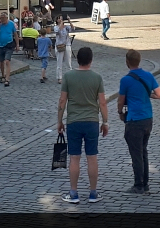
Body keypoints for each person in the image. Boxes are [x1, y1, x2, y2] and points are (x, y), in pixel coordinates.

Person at [57, 46, 109, 204]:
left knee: (74, 158)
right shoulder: (97, 77)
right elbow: (102, 103)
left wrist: (59, 121)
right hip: (92, 122)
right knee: (92, 157)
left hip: (74, 122)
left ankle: (73, 193)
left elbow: (62, 101)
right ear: (91, 60)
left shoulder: (68, 76)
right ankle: (93, 193)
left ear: (77, 59)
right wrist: (105, 122)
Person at [117, 49, 160, 195]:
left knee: (136, 154)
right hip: (147, 118)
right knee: (143, 151)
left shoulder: (125, 80)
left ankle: (139, 185)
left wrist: (120, 112)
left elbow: (121, 101)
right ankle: (145, 182)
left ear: (127, 62)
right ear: (139, 60)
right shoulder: (148, 76)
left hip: (134, 120)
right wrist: (148, 95)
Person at [0, 11, 18, 86]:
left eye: (3, 18)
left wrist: (17, 45)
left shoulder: (11, 24)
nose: (2, 19)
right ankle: (3, 76)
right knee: (1, 62)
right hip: (1, 45)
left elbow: (15, 34)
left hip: (9, 44)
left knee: (7, 61)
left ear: (7, 18)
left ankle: (7, 79)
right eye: (1, 18)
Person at [54, 16, 73, 83]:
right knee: (59, 62)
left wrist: (69, 20)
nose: (61, 19)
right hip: (59, 46)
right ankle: (59, 77)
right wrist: (61, 24)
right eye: (59, 18)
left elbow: (73, 28)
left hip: (67, 45)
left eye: (61, 18)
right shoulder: (56, 27)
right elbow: (57, 31)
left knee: (68, 62)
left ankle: (70, 77)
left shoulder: (66, 27)